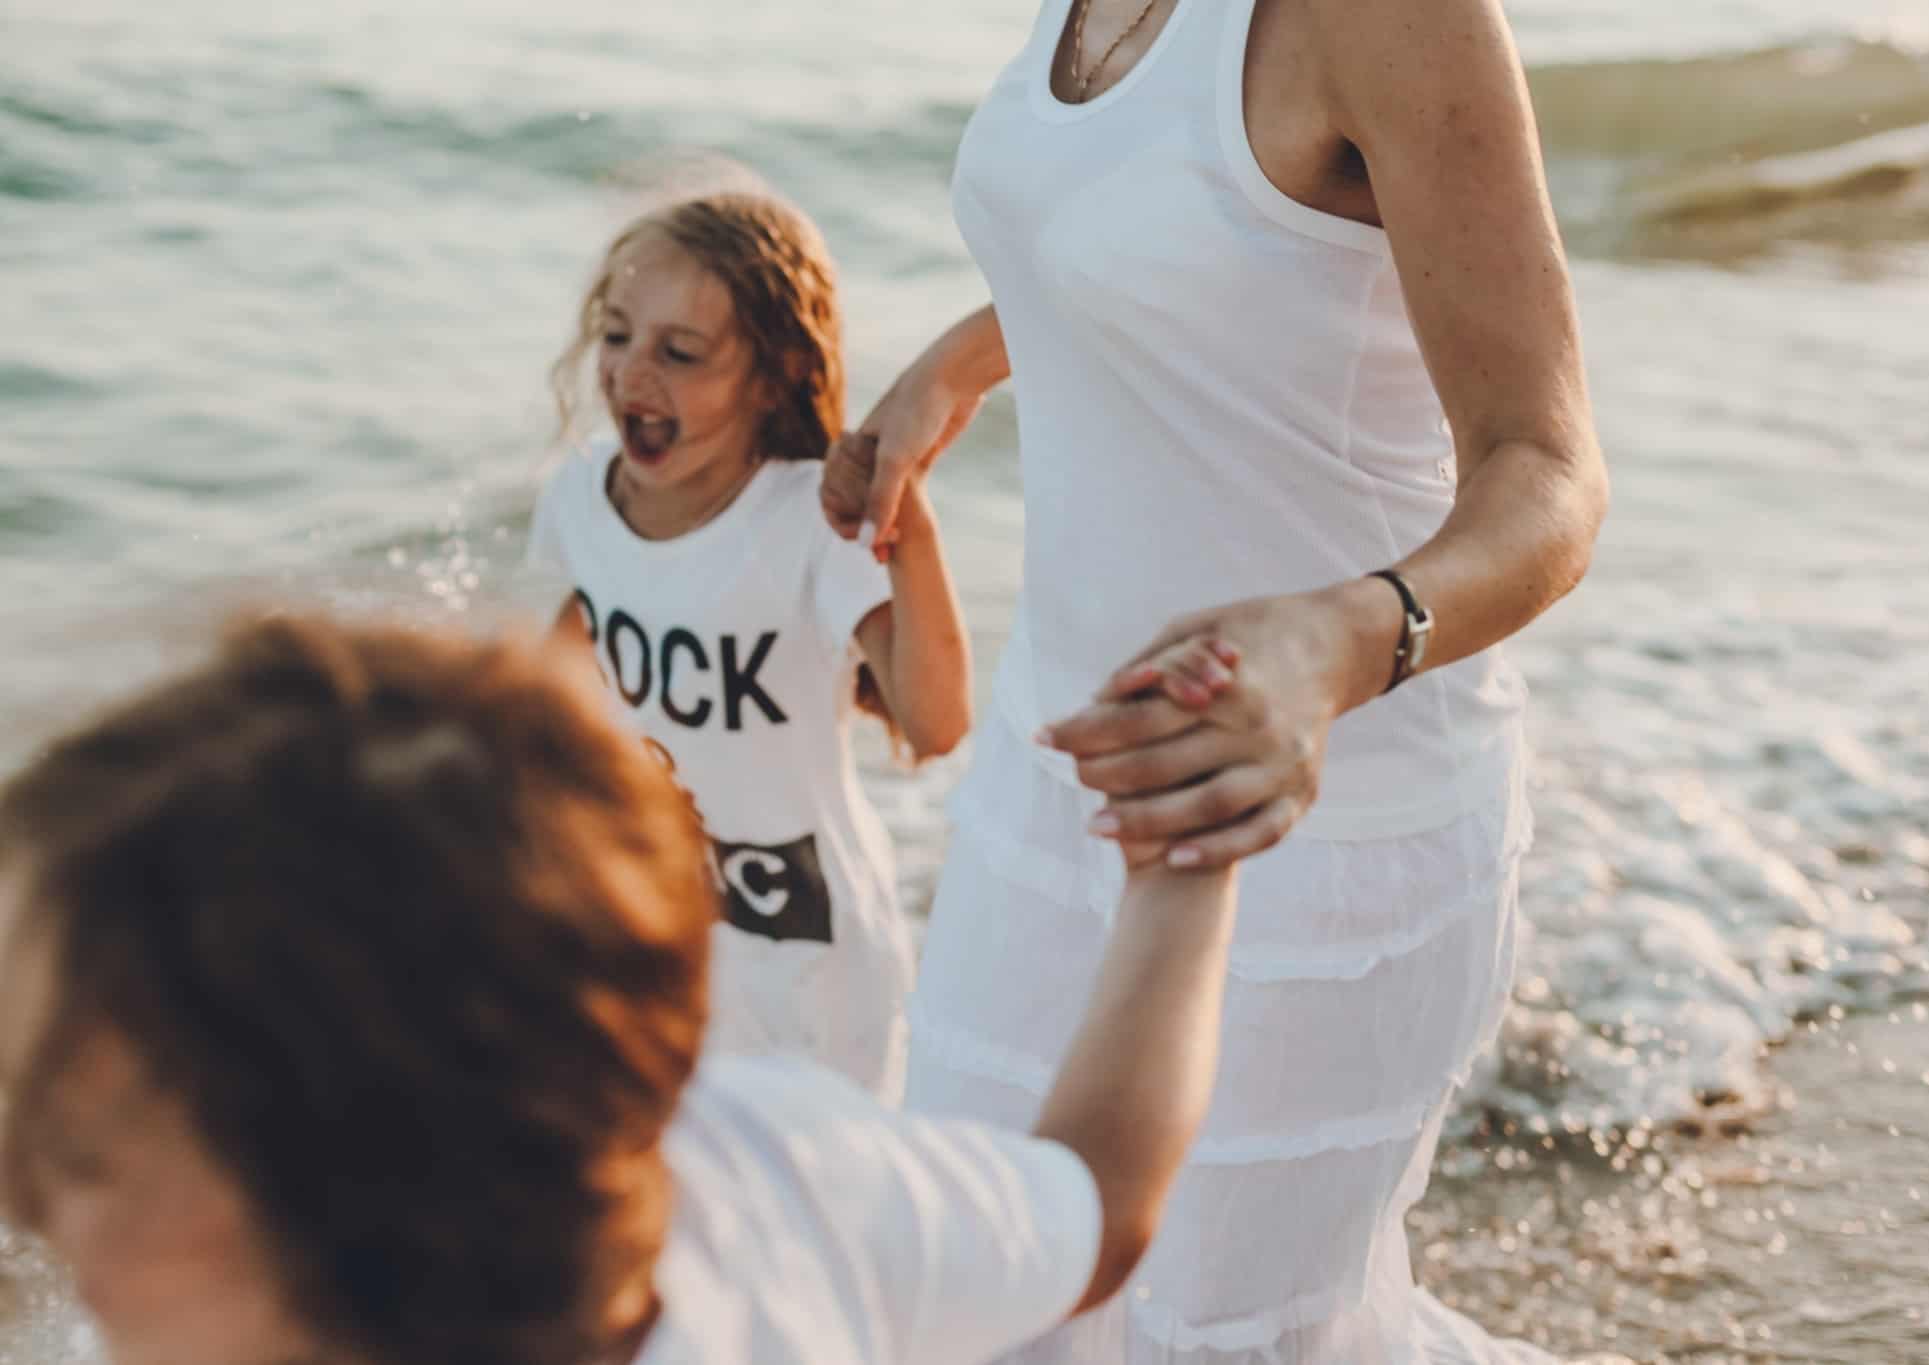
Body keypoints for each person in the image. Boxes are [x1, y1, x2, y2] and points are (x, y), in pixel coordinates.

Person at [835, 0, 1610, 1358]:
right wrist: (949, 370)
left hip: (1313, 827)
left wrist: (1341, 640)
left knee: (1218, 1338)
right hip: (1052, 774)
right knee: (967, 1292)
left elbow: (1548, 474)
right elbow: (1151, 226)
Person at [0, 612, 1242, 1365]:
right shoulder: (768, 1170)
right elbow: (1099, 1201)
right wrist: (1186, 858)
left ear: (351, 1216)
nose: (21, 1199)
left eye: (65, 1142)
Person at [528, 189, 972, 1096]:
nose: (631, 376)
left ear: (770, 376)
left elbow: (936, 724)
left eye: (680, 353)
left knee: (816, 1217)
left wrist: (908, 525)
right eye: (616, 337)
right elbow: (544, 710)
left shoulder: (809, 521)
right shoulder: (577, 501)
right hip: (652, 922)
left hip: (809, 955)